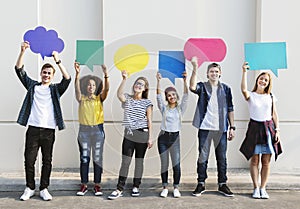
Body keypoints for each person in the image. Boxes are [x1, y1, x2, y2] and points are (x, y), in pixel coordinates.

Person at [16, 41, 71, 201]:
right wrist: (22, 51)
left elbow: (67, 79)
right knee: (29, 160)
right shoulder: (33, 86)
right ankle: (30, 187)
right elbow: (19, 70)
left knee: (47, 161)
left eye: (49, 73)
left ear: (52, 76)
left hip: (49, 130)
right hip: (33, 128)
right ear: (40, 74)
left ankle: (44, 188)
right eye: (44, 72)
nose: (46, 75)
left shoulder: (55, 89)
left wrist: (57, 61)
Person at [189, 57, 235, 197]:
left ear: (220, 73)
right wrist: (195, 67)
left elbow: (230, 108)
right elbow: (192, 87)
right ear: (207, 74)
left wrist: (232, 127)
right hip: (205, 128)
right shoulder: (203, 87)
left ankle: (222, 184)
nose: (214, 74)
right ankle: (201, 183)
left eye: (216, 71)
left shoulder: (226, 89)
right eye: (211, 71)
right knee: (202, 157)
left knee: (221, 157)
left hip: (221, 129)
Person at [108, 70, 153, 200]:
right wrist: (124, 79)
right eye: (137, 83)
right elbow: (119, 94)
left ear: (145, 89)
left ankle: (136, 186)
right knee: (125, 162)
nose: (139, 85)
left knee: (139, 162)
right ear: (134, 86)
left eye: (142, 84)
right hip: (129, 134)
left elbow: (149, 121)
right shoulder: (127, 98)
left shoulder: (147, 102)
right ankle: (119, 188)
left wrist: (150, 138)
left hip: (142, 135)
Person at [240, 62, 281, 199]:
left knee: (266, 161)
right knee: (254, 161)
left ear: (268, 83)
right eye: (261, 78)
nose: (263, 81)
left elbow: (274, 114)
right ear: (257, 80)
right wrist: (244, 72)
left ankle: (263, 188)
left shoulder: (270, 96)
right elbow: (243, 90)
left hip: (269, 130)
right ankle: (256, 188)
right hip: (254, 129)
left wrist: (278, 131)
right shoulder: (251, 95)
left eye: (266, 80)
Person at [74, 62, 109, 196]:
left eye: (93, 85)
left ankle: (97, 185)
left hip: (98, 131)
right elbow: (76, 90)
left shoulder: (99, 98)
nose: (91, 87)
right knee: (84, 158)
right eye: (89, 84)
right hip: (84, 131)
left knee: (97, 158)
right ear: (86, 86)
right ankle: (84, 184)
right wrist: (77, 74)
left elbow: (107, 90)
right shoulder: (81, 99)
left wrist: (106, 75)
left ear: (96, 87)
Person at [156, 72, 188, 198]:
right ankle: (164, 187)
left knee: (176, 164)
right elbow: (158, 97)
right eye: (169, 95)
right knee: (164, 164)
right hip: (163, 138)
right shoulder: (164, 109)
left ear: (176, 96)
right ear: (167, 98)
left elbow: (186, 96)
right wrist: (158, 80)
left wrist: (185, 81)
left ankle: (176, 187)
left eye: (173, 95)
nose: (171, 97)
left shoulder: (181, 109)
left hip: (175, 138)